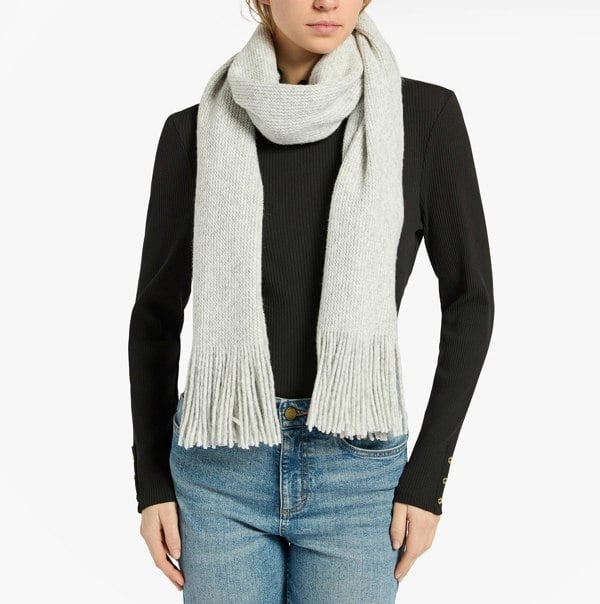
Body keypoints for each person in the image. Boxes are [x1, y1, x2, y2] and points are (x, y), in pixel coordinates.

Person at [128, 1, 494, 602]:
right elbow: (154, 318)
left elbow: (470, 302)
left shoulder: (423, 117)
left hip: (358, 467)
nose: (327, 1)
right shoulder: (194, 132)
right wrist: (151, 483)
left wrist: (429, 477)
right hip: (220, 461)